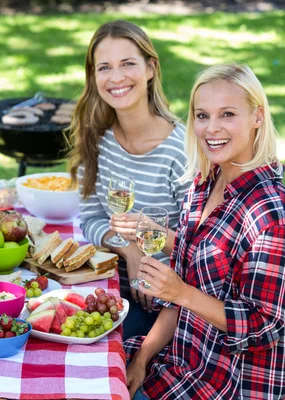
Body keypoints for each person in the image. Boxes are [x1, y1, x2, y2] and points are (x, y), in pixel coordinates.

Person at [125, 63, 285, 400]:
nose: (211, 128)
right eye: (202, 116)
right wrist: (142, 359)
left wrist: (180, 292)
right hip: (182, 363)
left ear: (257, 117)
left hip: (232, 386)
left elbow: (263, 327)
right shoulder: (204, 184)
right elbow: (177, 297)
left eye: (227, 114)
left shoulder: (271, 215)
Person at [67, 20, 190, 339]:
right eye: (104, 67)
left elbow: (201, 250)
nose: (116, 77)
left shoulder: (181, 152)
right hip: (114, 290)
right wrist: (130, 250)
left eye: (128, 64)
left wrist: (149, 256)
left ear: (150, 68)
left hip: (174, 310)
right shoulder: (96, 141)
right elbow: (91, 218)